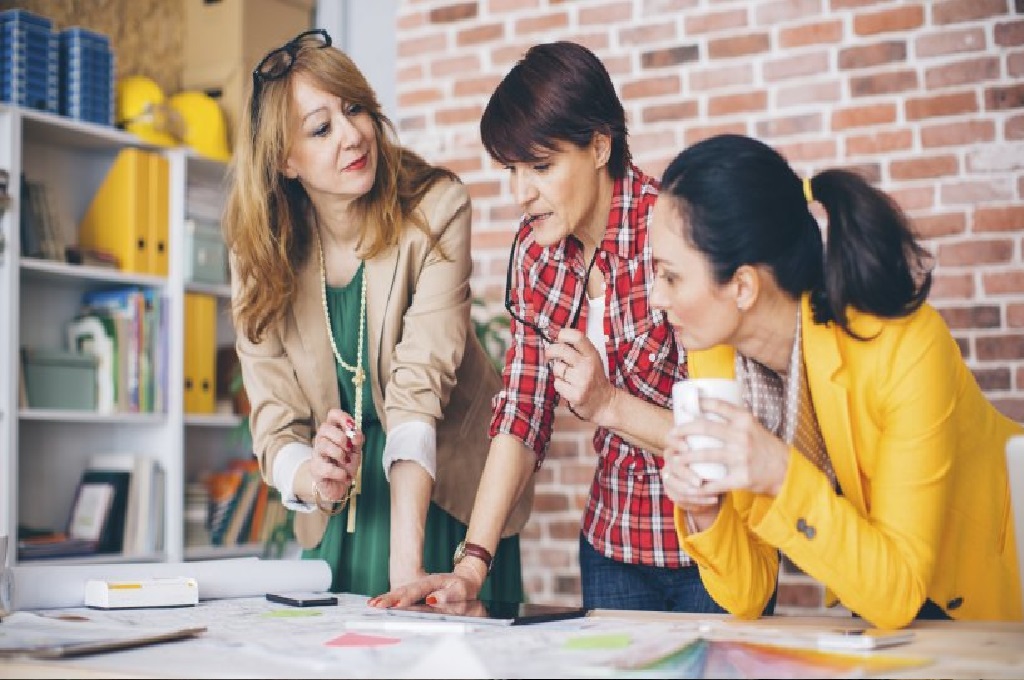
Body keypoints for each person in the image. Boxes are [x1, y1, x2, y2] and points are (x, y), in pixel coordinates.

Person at [374, 41, 746, 614]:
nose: (522, 194)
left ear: (600, 146)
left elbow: (724, 435)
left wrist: (606, 402)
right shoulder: (537, 253)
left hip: (714, 550)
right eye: (512, 171)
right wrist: (472, 564)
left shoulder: (674, 234)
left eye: (541, 167)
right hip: (613, 547)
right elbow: (523, 410)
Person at [649, 133, 1023, 629]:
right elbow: (747, 595)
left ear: (742, 286)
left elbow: (898, 590)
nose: (655, 297)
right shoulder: (716, 359)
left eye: (670, 276)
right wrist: (705, 512)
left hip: (996, 596)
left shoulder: (905, 346)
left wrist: (780, 474)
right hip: (879, 606)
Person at [223, 28, 534, 599]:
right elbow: (273, 421)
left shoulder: (436, 208)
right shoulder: (259, 253)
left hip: (442, 493)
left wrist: (406, 570)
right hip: (342, 513)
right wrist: (310, 475)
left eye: (355, 109)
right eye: (321, 128)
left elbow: (420, 388)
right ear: (285, 160)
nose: (352, 135)